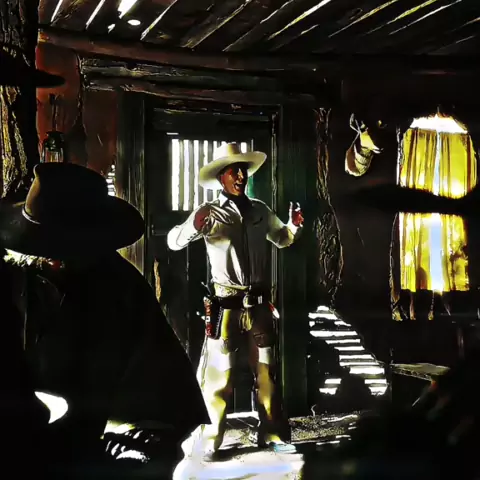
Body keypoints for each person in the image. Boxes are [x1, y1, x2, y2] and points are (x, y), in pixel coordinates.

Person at [0, 162, 209, 475]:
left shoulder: (120, 287)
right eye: (46, 249)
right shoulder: (13, 278)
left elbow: (163, 395)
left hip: (94, 445)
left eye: (66, 250)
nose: (56, 260)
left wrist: (138, 446)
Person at [167, 142, 304, 461]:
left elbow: (282, 238)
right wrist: (194, 225)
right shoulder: (210, 213)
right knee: (220, 376)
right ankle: (210, 440)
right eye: (234, 172)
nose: (240, 176)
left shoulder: (260, 210)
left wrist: (294, 226)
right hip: (226, 307)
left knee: (267, 373)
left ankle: (271, 433)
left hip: (259, 307)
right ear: (221, 177)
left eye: (243, 171)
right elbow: (174, 241)